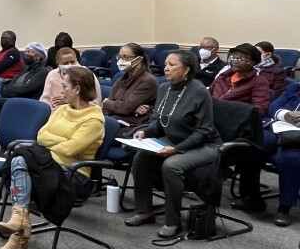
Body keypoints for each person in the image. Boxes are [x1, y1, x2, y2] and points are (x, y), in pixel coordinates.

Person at [0, 66, 104, 249]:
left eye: (65, 86)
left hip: (73, 174)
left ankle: (19, 230)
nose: (61, 91)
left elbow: (70, 150)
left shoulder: (94, 119)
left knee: (21, 159)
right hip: (46, 163)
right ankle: (20, 221)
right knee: (19, 158)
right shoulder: (62, 110)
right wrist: (61, 142)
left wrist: (54, 143)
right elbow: (41, 135)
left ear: (77, 89)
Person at [125, 50, 221, 238]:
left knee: (172, 165)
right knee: (141, 158)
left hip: (205, 145)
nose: (166, 68)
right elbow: (158, 121)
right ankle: (144, 211)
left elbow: (204, 131)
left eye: (172, 65)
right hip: (175, 139)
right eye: (166, 64)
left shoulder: (199, 91)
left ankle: (172, 221)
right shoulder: (164, 88)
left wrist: (177, 150)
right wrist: (145, 132)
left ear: (186, 70)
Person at [210, 44, 271, 213]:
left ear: (251, 62)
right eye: (233, 57)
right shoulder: (222, 78)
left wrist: (230, 113)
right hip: (212, 125)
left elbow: (260, 109)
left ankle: (250, 198)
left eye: (240, 58)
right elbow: (206, 99)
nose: (235, 61)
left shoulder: (259, 81)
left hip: (237, 129)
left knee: (250, 151)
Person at [263, 81, 300, 226]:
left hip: (296, 140)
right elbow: (272, 108)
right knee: (255, 141)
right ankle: (250, 196)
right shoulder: (295, 87)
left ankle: (284, 207)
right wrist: (287, 115)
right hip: (283, 129)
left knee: (291, 157)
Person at [101, 43, 158, 132]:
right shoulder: (120, 80)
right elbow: (107, 108)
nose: (121, 60)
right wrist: (133, 108)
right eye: (119, 57)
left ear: (138, 59)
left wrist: (106, 103)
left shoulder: (148, 81)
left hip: (133, 125)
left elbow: (125, 108)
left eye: (126, 57)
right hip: (116, 120)